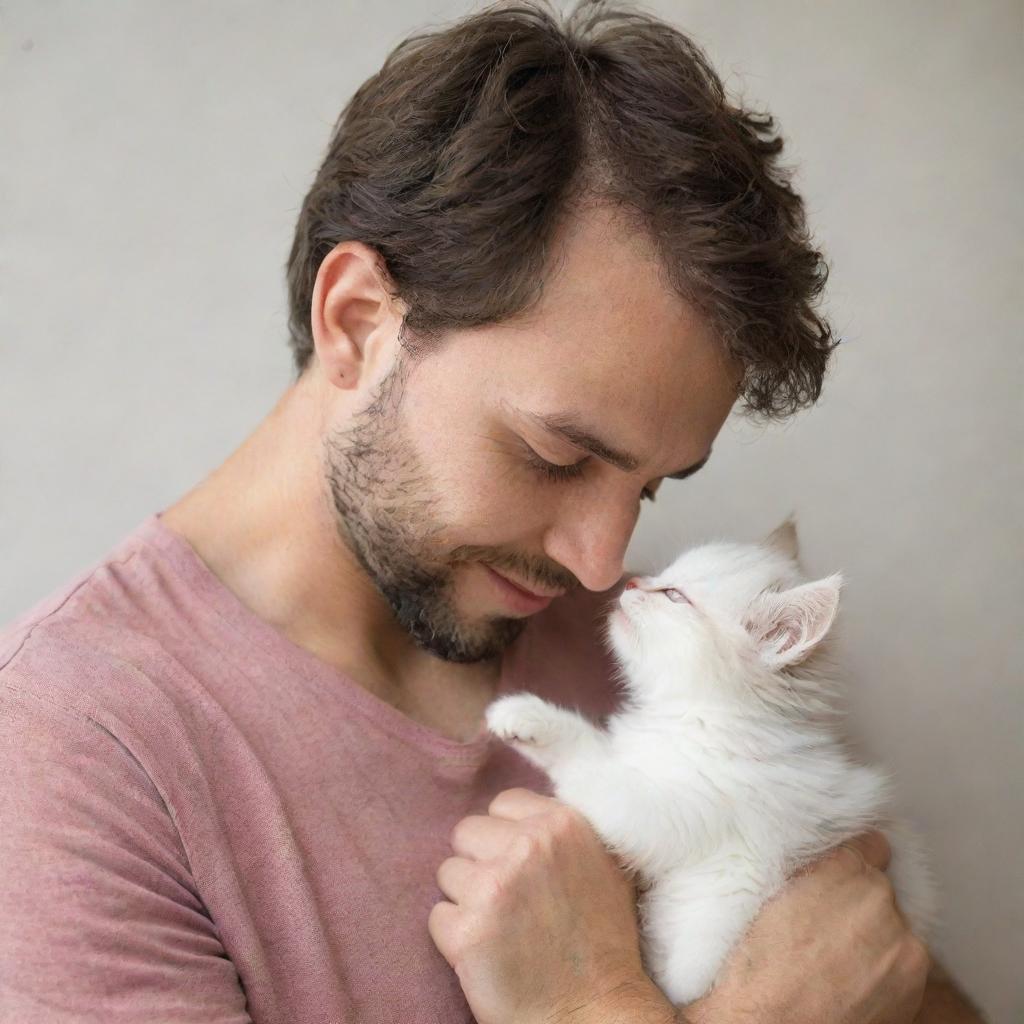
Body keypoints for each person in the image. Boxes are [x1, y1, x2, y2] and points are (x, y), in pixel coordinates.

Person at [0, 2, 986, 1022]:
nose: (604, 564)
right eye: (555, 454)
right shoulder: (66, 760)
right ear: (357, 323)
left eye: (649, 488)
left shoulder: (677, 655)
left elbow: (897, 976)